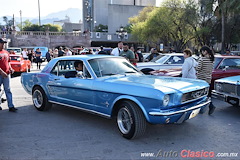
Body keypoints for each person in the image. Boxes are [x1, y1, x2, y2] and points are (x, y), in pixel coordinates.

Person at [196, 46, 215, 115]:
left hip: (201, 78)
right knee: (206, 94)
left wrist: (194, 66)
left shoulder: (202, 59)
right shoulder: (212, 59)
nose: (202, 53)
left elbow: (198, 68)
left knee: (200, 94)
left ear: (205, 51)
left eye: (202, 51)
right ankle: (208, 106)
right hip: (208, 78)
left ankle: (205, 107)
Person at [0, 38, 17, 112]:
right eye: (2, 43)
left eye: (4, 43)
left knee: (8, 90)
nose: (3, 45)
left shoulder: (6, 52)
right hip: (1, 74)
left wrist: (10, 68)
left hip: (7, 74)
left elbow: (8, 62)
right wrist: (1, 72)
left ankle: (11, 106)